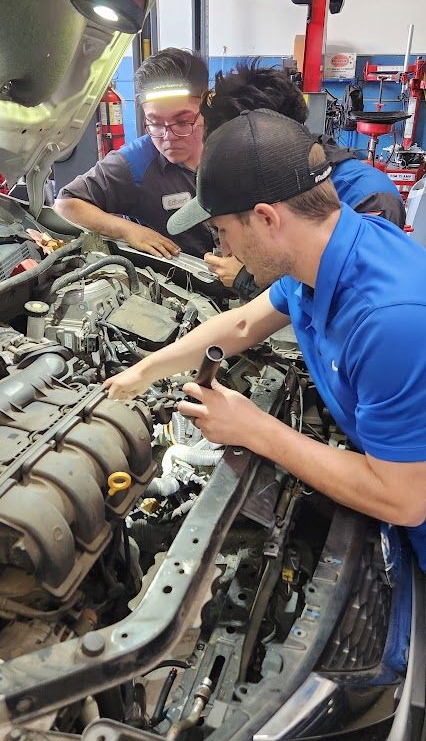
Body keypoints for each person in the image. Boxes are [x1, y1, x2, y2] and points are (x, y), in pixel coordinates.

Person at [103, 109, 426, 571]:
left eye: (222, 231)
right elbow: (240, 325)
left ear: (266, 217)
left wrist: (254, 429)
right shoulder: (324, 250)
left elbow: (405, 500)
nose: (224, 250)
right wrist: (142, 371)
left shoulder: (389, 323)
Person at [193, 62, 406, 295]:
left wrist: (249, 279)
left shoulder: (368, 197)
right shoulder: (262, 187)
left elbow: (355, 298)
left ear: (270, 138)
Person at [54, 48, 212, 259]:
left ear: (206, 106)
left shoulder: (231, 146)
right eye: (155, 123)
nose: (168, 136)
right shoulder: (135, 163)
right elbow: (66, 204)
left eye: (182, 122)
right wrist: (127, 230)